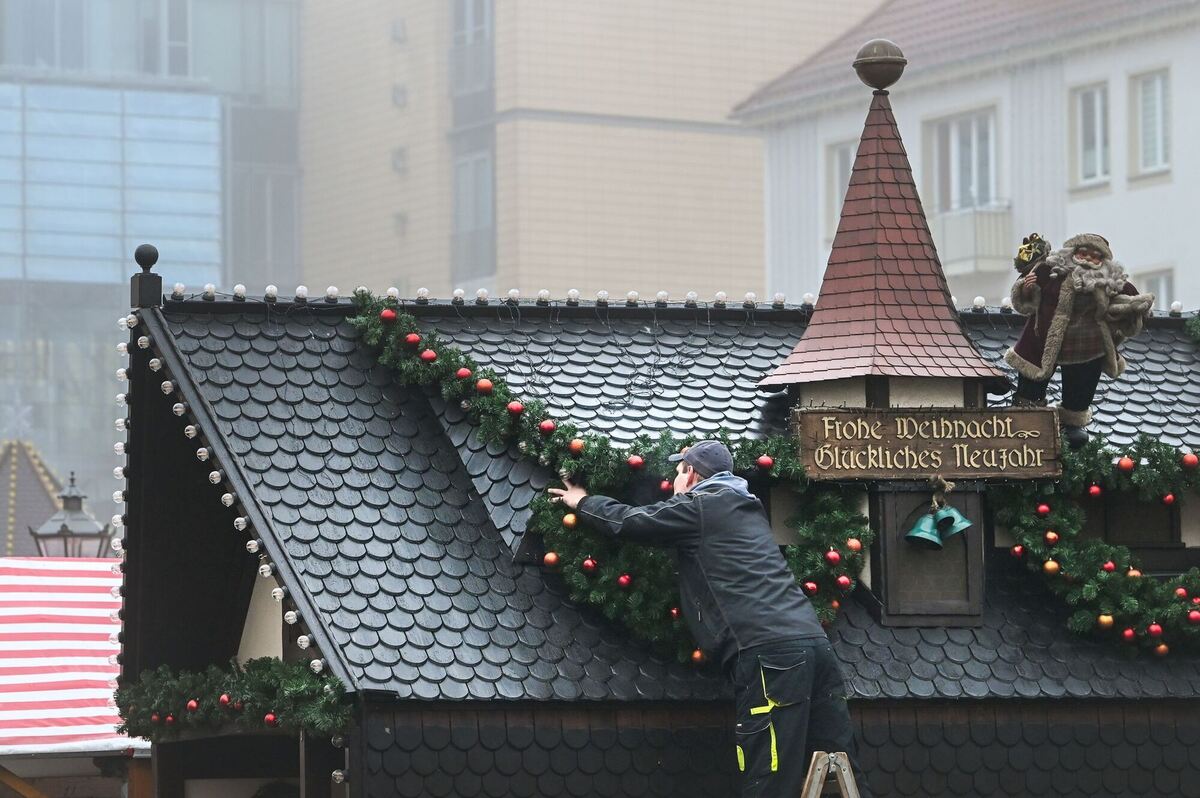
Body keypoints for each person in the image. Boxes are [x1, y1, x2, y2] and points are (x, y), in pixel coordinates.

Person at [549, 440, 869, 797]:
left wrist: (581, 500)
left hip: (769, 655)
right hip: (814, 646)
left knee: (770, 770)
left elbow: (629, 522)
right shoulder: (747, 508)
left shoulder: (701, 505)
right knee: (836, 761)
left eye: (678, 470)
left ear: (693, 474)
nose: (672, 479)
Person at [1006, 233, 1154, 448]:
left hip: (1087, 345)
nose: (1087, 259)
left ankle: (1072, 423)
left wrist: (1138, 309)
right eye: (1083, 253)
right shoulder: (1050, 270)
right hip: (1046, 337)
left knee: (1081, 385)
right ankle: (1027, 412)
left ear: (1103, 261)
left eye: (1095, 257)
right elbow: (1025, 303)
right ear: (1072, 253)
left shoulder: (1111, 282)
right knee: (1032, 377)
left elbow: (1132, 302)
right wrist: (1027, 289)